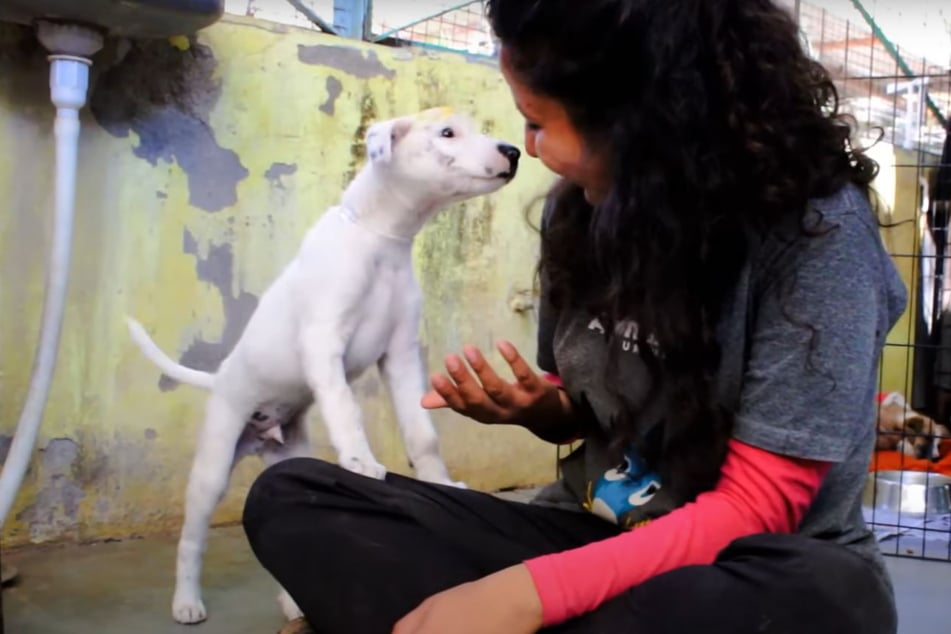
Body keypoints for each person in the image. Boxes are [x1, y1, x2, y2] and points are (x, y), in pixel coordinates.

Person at [242, 1, 906, 632]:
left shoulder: (818, 236)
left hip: (749, 560)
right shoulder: (581, 211)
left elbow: (761, 503)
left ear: (643, 119)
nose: (528, 149)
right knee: (293, 498)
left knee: (828, 601)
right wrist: (538, 409)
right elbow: (596, 412)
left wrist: (525, 595)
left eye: (537, 122)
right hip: (593, 533)